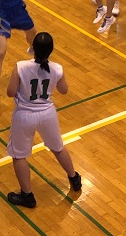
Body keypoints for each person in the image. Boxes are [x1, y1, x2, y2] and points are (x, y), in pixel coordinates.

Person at [6, 32, 82, 208]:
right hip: (48, 114)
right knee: (58, 147)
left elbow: (10, 92)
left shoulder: (20, 67)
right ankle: (74, 177)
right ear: (51, 50)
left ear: (32, 48)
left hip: (24, 115)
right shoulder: (57, 68)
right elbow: (64, 90)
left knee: (19, 156)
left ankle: (27, 195)